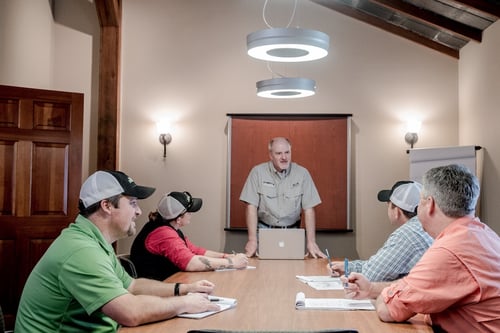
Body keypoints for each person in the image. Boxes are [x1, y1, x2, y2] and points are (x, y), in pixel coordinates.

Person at [15, 170, 220, 332]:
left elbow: (132, 285)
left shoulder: (93, 242)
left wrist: (184, 289)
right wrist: (184, 303)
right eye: (132, 203)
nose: (139, 211)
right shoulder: (80, 250)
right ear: (107, 206)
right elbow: (129, 312)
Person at [342, 164, 500, 332]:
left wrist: (384, 296)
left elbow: (387, 310)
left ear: (429, 204)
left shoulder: (448, 252)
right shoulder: (484, 234)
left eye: (420, 202)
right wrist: (372, 289)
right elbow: (416, 285)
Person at [328, 181, 433, 281]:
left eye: (388, 204)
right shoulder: (426, 226)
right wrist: (347, 266)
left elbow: (371, 276)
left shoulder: (406, 235)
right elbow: (379, 265)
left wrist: (348, 269)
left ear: (397, 211)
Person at [240, 137, 326, 259]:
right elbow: (251, 207)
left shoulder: (302, 173)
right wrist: (252, 239)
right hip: (264, 232)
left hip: (292, 232)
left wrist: (311, 241)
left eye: (287, 152)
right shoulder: (257, 172)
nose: (284, 157)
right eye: (279, 153)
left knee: (292, 271)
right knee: (263, 272)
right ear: (270, 155)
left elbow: (309, 209)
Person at [131, 191, 248, 280]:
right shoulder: (163, 233)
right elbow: (190, 263)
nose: (191, 214)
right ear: (179, 218)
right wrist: (232, 263)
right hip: (159, 289)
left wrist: (228, 256)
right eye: (189, 212)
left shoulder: (170, 228)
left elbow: (195, 251)